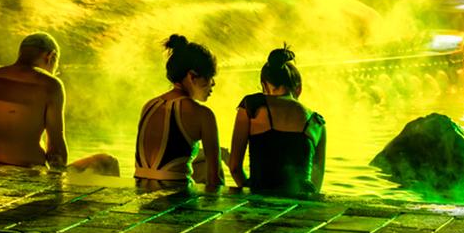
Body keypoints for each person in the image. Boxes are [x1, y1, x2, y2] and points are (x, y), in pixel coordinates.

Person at [0, 32, 119, 175]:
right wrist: (59, 181)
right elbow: (56, 150)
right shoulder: (49, 84)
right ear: (50, 56)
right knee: (107, 162)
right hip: (27, 176)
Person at [227, 46, 326, 197]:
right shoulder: (317, 123)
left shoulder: (251, 107)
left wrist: (250, 191)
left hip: (259, 198)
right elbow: (317, 180)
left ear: (264, 85)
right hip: (301, 205)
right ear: (298, 89)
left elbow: (234, 167)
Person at [134, 34, 223, 188]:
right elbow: (215, 179)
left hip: (140, 189)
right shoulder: (203, 115)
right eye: (209, 77)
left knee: (199, 161)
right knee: (210, 165)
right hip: (176, 198)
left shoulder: (149, 105)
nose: (213, 84)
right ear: (191, 76)